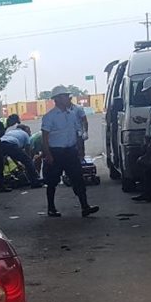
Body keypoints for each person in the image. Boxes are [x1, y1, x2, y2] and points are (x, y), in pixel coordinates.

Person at [41, 86, 99, 218]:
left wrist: (80, 149)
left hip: (71, 152)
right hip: (56, 152)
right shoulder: (49, 117)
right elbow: (45, 137)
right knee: (52, 181)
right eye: (65, 96)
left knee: (78, 179)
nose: (68, 98)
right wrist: (48, 154)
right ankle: (51, 208)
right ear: (57, 99)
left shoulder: (72, 114)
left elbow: (77, 132)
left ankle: (85, 206)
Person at [2, 115, 42, 186]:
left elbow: (13, 155)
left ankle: (0, 185)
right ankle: (35, 181)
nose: (30, 133)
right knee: (28, 161)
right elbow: (28, 154)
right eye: (29, 131)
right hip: (11, 145)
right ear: (25, 130)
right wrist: (29, 164)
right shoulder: (25, 135)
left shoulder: (11, 132)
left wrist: (18, 164)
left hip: (0, 144)